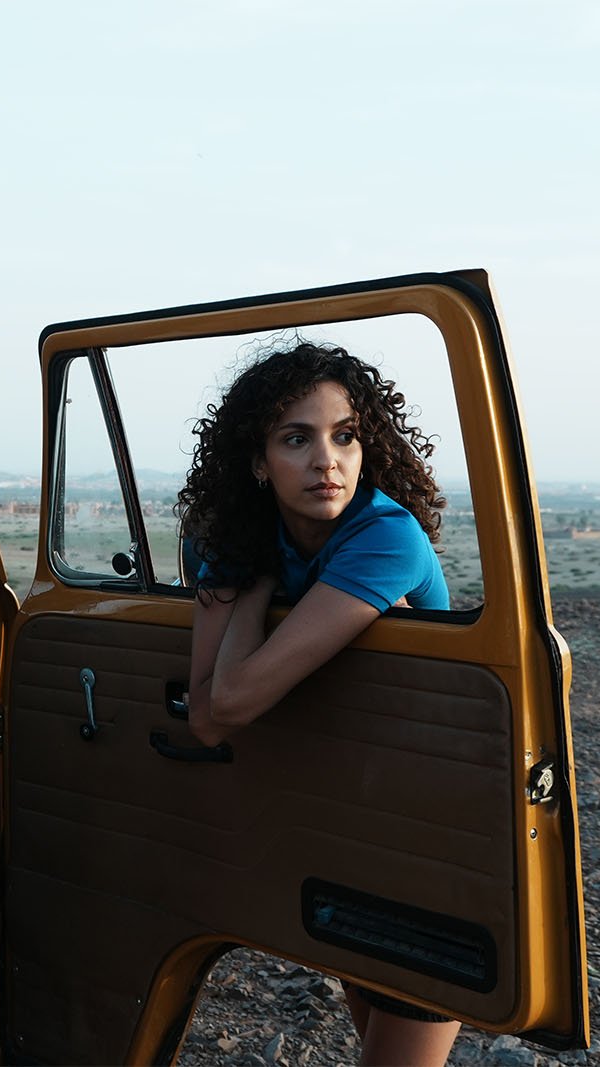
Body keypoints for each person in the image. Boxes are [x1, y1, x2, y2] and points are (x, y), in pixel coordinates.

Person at [178, 338, 457, 1067]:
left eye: (344, 436)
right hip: (342, 808)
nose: (325, 460)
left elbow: (228, 696)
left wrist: (259, 589)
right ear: (257, 459)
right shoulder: (243, 536)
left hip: (430, 815)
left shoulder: (384, 535)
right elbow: (205, 720)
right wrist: (255, 580)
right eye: (295, 438)